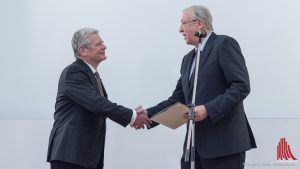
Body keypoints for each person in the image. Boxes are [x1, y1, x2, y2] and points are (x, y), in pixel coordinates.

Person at [140, 5, 257, 169]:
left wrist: (208, 109)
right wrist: (147, 115)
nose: (180, 30)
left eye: (183, 23)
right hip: (193, 147)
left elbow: (241, 86)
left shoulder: (223, 44)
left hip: (224, 146)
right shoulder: (188, 59)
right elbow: (178, 99)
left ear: (199, 24)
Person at [47, 27, 151, 169]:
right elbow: (98, 104)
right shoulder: (74, 72)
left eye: (102, 43)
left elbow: (101, 105)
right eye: (98, 44)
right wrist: (132, 116)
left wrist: (132, 116)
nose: (104, 46)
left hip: (85, 157)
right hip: (70, 155)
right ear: (82, 50)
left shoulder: (92, 75)